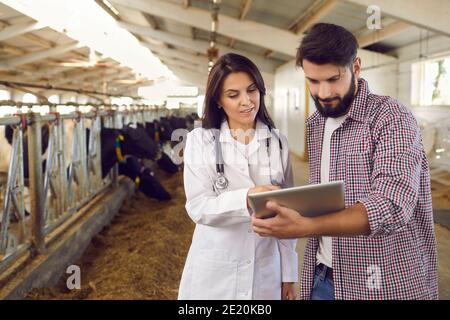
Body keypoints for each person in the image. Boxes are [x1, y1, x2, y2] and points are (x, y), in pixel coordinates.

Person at [251, 23, 438, 300]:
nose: (324, 93)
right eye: (313, 81)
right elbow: (323, 198)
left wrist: (307, 226)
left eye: (333, 79)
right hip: (323, 275)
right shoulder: (316, 123)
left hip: (384, 282)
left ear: (357, 67)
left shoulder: (391, 117)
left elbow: (393, 205)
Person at [178, 53, 298, 300]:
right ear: (218, 101)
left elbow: (290, 210)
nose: (247, 101)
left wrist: (288, 274)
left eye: (252, 90)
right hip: (215, 270)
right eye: (233, 95)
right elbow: (198, 207)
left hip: (265, 268)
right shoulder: (199, 141)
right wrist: (247, 197)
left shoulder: (277, 143)